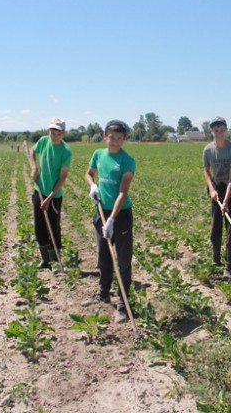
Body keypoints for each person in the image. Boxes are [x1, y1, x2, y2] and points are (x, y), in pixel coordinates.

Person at [85, 120, 135, 323]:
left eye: (119, 138)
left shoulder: (127, 160)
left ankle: (123, 305)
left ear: (124, 140)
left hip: (120, 215)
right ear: (105, 136)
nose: (115, 141)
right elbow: (89, 174)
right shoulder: (98, 154)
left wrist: (112, 219)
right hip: (101, 211)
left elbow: (123, 192)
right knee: (103, 256)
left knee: (122, 261)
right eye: (111, 137)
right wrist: (92, 187)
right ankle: (103, 292)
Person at [203, 117, 231, 281]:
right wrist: (212, 190)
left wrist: (226, 201)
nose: (218, 133)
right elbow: (206, 171)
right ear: (211, 131)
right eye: (215, 130)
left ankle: (228, 267)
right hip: (217, 188)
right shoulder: (207, 150)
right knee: (215, 227)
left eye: (221, 129)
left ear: (226, 130)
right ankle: (216, 260)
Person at [30, 118, 72, 270]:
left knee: (53, 228)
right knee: (39, 227)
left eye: (58, 133)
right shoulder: (43, 141)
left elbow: (62, 178)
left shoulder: (65, 151)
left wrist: (49, 198)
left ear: (63, 134)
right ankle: (45, 260)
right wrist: (34, 167)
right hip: (39, 190)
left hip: (54, 196)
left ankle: (55, 262)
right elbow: (31, 151)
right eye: (52, 132)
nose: (54, 135)